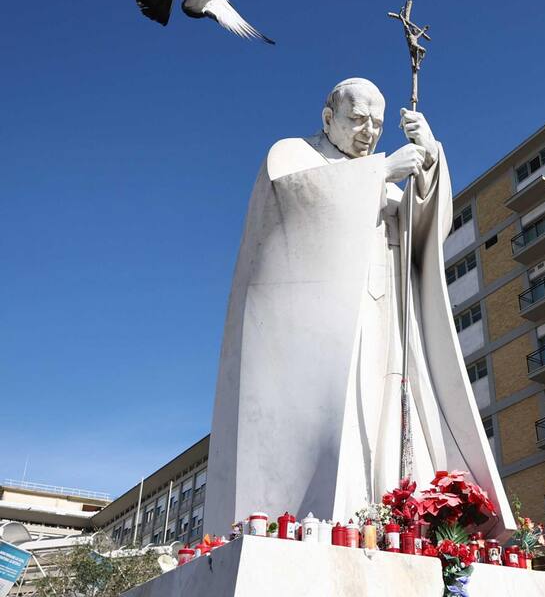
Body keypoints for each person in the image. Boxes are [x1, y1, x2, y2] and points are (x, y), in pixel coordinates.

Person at [205, 78, 513, 534]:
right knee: (342, 420)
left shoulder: (381, 173)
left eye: (377, 123)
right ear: (328, 117)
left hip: (388, 316)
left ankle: (389, 515)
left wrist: (430, 163)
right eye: (357, 119)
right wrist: (381, 172)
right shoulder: (292, 156)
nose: (368, 132)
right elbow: (292, 206)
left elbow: (424, 234)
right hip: (322, 330)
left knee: (386, 420)